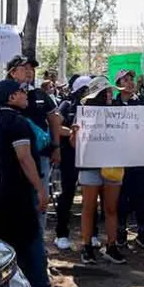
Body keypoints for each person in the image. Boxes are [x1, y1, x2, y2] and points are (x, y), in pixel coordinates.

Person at [0, 79, 72, 287]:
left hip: (1, 190)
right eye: (21, 92)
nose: (26, 95)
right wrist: (41, 188)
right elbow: (24, 157)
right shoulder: (18, 122)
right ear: (11, 97)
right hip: (19, 191)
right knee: (32, 241)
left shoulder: (0, 120)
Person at [3, 55, 62, 235]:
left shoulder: (40, 94)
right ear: (12, 72)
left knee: (40, 199)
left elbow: (54, 120)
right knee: (16, 200)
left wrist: (57, 147)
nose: (30, 71)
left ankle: (38, 242)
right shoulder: (3, 94)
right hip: (14, 160)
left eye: (32, 68)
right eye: (24, 67)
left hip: (41, 157)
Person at [71, 77, 127, 265]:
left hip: (112, 166)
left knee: (111, 208)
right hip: (90, 165)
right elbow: (74, 144)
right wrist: (75, 134)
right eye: (106, 92)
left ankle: (111, 246)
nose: (110, 95)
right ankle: (86, 246)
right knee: (89, 208)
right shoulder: (83, 114)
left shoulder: (119, 113)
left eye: (111, 91)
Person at [112, 69, 144, 248]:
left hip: (139, 156)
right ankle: (120, 230)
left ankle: (142, 231)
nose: (129, 82)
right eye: (125, 79)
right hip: (119, 158)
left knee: (140, 194)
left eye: (131, 79)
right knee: (121, 196)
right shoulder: (112, 105)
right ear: (117, 84)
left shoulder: (142, 101)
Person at [54, 75, 92, 251]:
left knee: (91, 196)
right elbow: (56, 126)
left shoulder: (96, 107)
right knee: (68, 194)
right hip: (70, 156)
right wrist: (71, 131)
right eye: (85, 89)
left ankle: (92, 233)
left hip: (90, 157)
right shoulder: (66, 105)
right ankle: (61, 234)